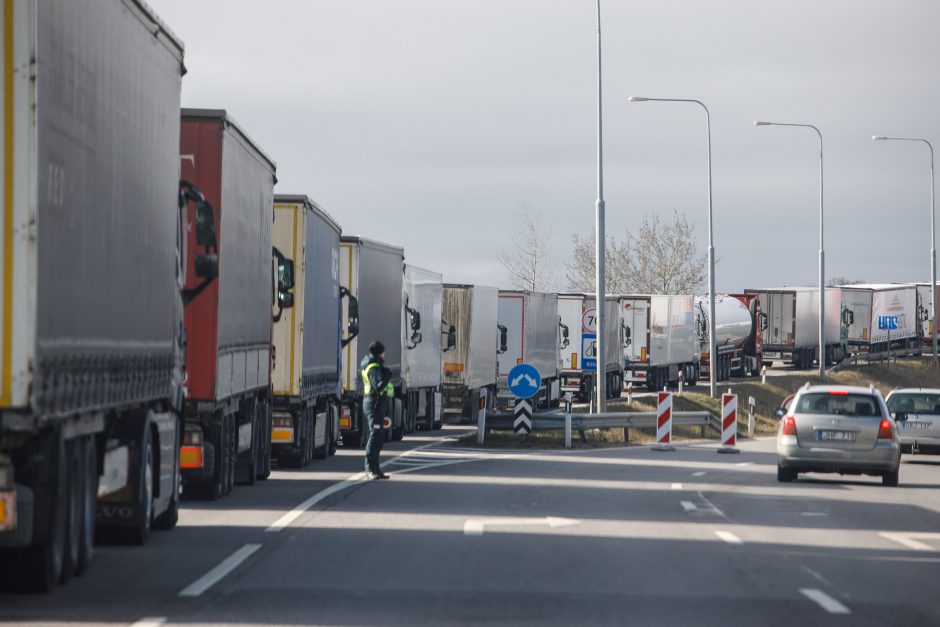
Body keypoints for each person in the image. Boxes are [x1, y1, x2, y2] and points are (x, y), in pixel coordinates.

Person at [361, 340, 394, 480]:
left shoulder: (375, 365)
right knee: (375, 436)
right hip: (373, 404)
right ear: (380, 352)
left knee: (379, 437)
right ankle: (370, 469)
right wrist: (387, 375)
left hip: (378, 404)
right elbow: (378, 386)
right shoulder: (374, 367)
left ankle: (376, 469)